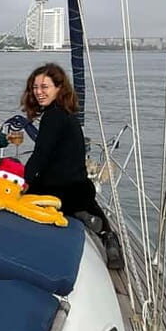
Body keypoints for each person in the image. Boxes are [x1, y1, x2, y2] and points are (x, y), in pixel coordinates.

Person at [21, 63, 124, 270]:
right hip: (80, 189)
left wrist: (24, 181)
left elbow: (41, 154)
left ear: (59, 88)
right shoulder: (68, 115)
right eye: (35, 87)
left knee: (19, 203)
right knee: (85, 200)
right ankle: (107, 236)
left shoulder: (52, 117)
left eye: (44, 87)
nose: (38, 92)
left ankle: (73, 213)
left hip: (55, 190)